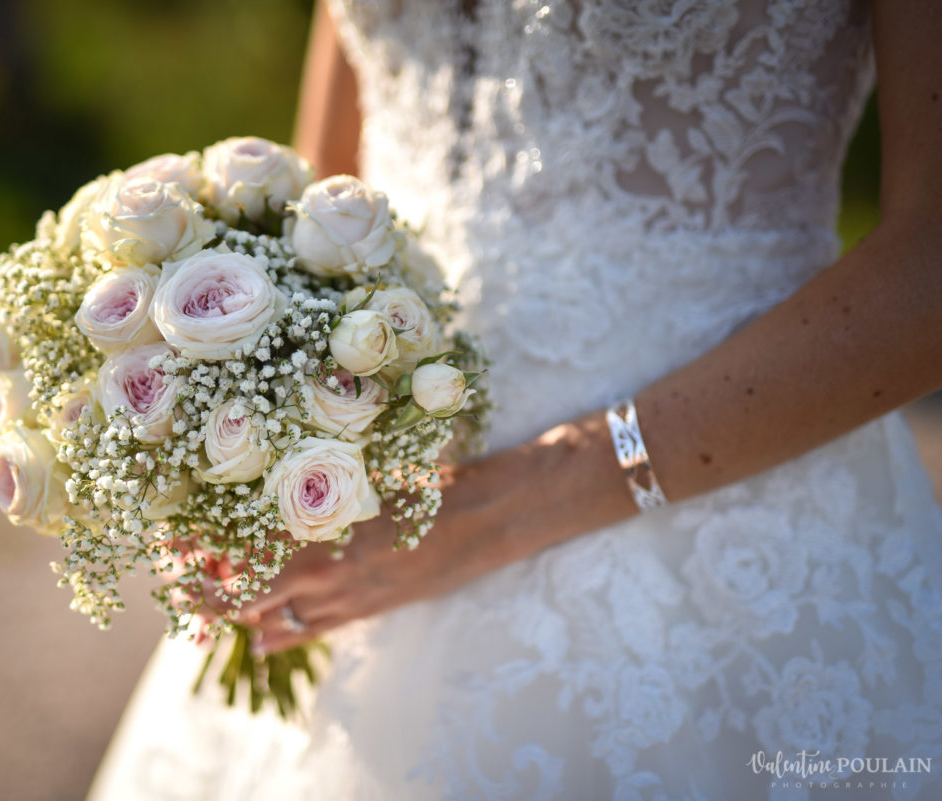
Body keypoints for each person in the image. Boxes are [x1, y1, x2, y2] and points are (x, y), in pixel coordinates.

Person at [89, 1, 942, 798]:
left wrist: (489, 511)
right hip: (361, 515)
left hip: (726, 517)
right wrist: (252, 444)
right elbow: (331, 180)